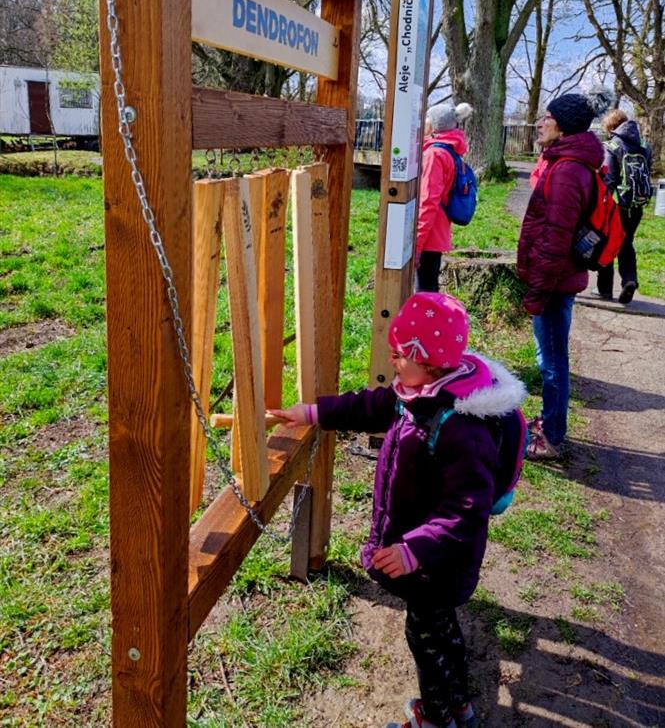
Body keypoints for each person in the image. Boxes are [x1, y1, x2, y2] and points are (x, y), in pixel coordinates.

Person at [270, 292, 525, 728]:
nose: (392, 362)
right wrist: (313, 412)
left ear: (432, 362)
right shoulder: (418, 392)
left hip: (437, 564)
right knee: (441, 632)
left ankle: (436, 718)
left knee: (426, 637)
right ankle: (457, 703)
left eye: (400, 355)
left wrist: (414, 550)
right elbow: (371, 406)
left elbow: (467, 510)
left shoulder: (462, 429)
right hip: (427, 556)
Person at [517, 92, 607, 460]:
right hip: (556, 280)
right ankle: (550, 422)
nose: (539, 123)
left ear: (563, 125)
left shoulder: (569, 170)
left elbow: (556, 238)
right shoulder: (565, 162)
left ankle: (552, 438)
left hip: (555, 282)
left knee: (552, 362)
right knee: (550, 356)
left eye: (546, 117)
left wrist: (538, 290)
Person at [592, 109, 652, 304]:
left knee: (608, 242)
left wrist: (601, 202)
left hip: (617, 205)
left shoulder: (612, 146)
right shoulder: (644, 146)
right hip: (637, 204)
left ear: (610, 127)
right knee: (626, 243)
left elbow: (609, 179)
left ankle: (604, 289)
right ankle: (630, 279)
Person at [415, 103, 474, 292]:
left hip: (428, 235)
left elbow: (428, 201)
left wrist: (417, 243)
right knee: (429, 287)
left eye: (427, 119)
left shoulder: (434, 154)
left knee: (425, 292)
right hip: (438, 230)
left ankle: (429, 321)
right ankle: (431, 320)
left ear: (434, 125)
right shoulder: (450, 151)